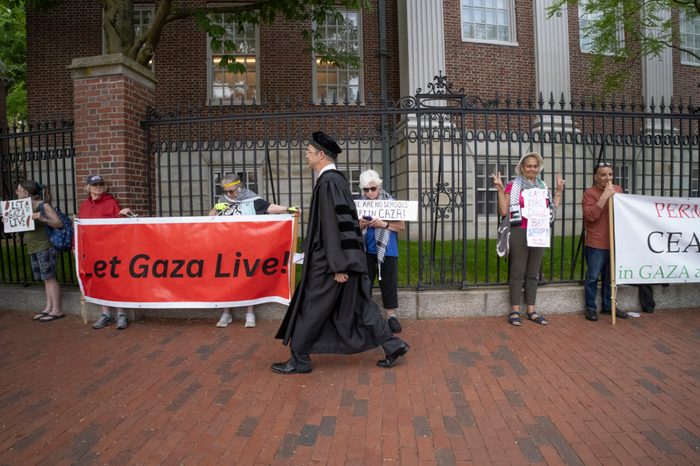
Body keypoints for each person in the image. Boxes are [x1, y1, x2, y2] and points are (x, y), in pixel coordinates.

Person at [273, 131, 409, 374]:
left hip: (330, 263)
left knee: (311, 306)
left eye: (309, 152)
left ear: (321, 155)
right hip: (344, 260)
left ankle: (300, 359)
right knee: (360, 304)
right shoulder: (335, 181)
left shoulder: (329, 182)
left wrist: (338, 266)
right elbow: (345, 223)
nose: (306, 155)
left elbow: (335, 227)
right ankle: (393, 344)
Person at [491, 152, 565, 326]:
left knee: (533, 273)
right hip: (519, 230)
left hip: (538, 232)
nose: (532, 168)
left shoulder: (542, 187)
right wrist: (500, 190)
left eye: (535, 166)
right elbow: (503, 212)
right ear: (522, 168)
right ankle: (515, 310)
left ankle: (531, 310)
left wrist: (559, 192)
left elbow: (552, 210)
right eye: (528, 165)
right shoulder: (513, 185)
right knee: (517, 271)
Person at [209, 173, 292, 328]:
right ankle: (226, 313)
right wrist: (215, 208)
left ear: (240, 187)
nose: (229, 194)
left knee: (248, 278)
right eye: (226, 192)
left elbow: (269, 207)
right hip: (227, 246)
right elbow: (210, 220)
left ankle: (250, 312)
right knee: (227, 279)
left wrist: (287, 209)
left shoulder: (251, 200)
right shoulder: (222, 201)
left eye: (231, 191)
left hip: (247, 246)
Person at [78, 175, 134, 330]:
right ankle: (106, 314)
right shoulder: (84, 206)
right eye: (95, 184)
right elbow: (81, 228)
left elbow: (118, 225)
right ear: (88, 187)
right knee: (100, 280)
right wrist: (76, 246)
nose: (98, 187)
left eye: (101, 184)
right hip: (92, 250)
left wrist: (122, 215)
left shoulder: (110, 203)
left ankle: (121, 314)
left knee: (115, 280)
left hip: (110, 249)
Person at [358, 169, 405, 333]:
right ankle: (366, 316)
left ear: (379, 186)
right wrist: (361, 225)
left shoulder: (390, 202)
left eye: (373, 188)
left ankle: (391, 316)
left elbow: (401, 226)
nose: (370, 192)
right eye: (366, 189)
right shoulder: (360, 204)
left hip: (387, 249)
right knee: (365, 283)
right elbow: (353, 227)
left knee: (388, 283)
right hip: (366, 249)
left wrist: (383, 224)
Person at [582, 163, 628, 321]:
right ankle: (590, 308)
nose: (607, 178)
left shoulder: (618, 190)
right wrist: (604, 196)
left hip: (614, 242)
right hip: (596, 243)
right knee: (593, 277)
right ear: (596, 177)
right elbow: (590, 216)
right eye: (603, 175)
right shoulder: (590, 193)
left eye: (610, 174)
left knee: (611, 278)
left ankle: (609, 307)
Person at [14, 181, 65, 322]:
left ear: (26, 193)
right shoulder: (21, 207)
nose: (16, 192)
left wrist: (43, 219)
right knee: (45, 278)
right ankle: (49, 307)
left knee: (50, 277)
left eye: (18, 190)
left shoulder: (43, 205)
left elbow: (59, 223)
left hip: (45, 245)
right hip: (33, 246)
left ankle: (57, 310)